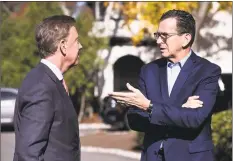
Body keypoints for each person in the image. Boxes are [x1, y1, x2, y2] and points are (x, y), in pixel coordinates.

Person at [109, 9, 221, 161]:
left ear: (186, 38)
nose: (158, 41)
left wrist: (149, 106)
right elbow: (135, 119)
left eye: (165, 36)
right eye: (157, 35)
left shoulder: (207, 71)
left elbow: (194, 119)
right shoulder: (149, 71)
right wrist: (180, 109)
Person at [13, 15, 83, 161]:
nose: (80, 46)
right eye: (76, 41)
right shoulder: (41, 86)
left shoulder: (51, 81)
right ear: (63, 45)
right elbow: (28, 155)